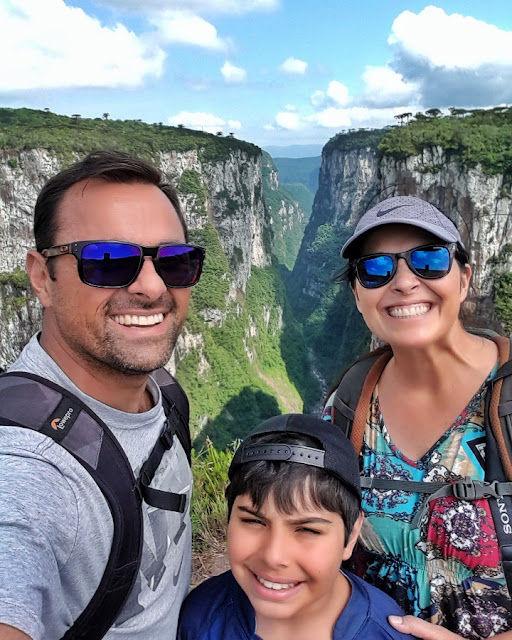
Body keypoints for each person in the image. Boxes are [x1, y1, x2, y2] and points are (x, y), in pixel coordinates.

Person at [0, 150, 205, 639]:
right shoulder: (29, 471)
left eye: (175, 261)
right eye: (108, 261)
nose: (152, 287)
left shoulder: (163, 394)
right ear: (40, 277)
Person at [322, 195, 512, 639]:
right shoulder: (348, 404)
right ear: (357, 294)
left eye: (429, 260)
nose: (404, 282)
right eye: (376, 269)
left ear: (464, 278)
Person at [178, 413, 417, 640]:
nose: (274, 556)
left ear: (351, 534)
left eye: (308, 530)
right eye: (253, 521)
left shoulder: (386, 633)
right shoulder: (200, 617)